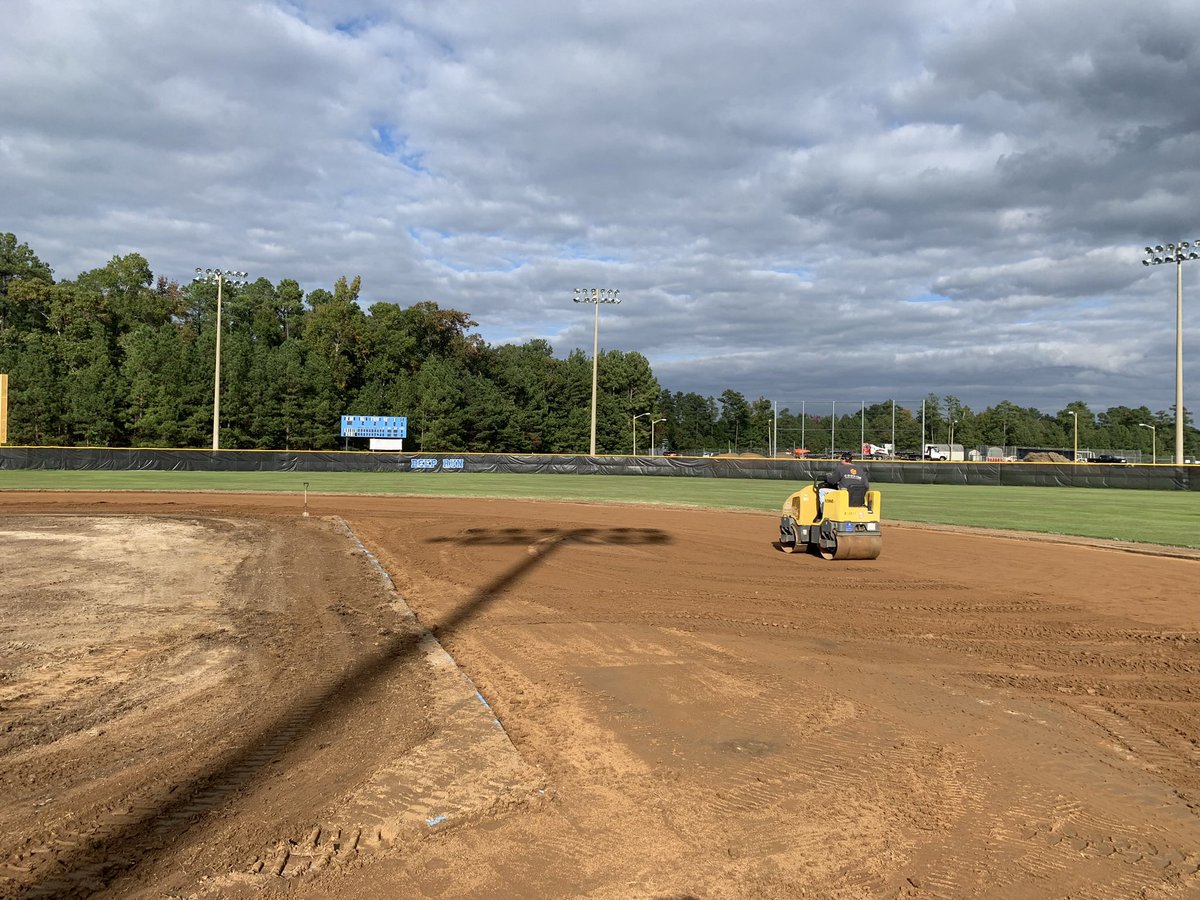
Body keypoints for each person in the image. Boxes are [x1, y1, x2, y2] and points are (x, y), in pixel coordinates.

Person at [817, 451, 869, 518]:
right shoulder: (860, 470)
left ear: (844, 459)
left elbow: (832, 481)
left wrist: (826, 478)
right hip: (858, 500)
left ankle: (823, 514)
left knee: (822, 491)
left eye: (841, 459)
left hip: (843, 497)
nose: (840, 460)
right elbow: (866, 486)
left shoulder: (841, 468)